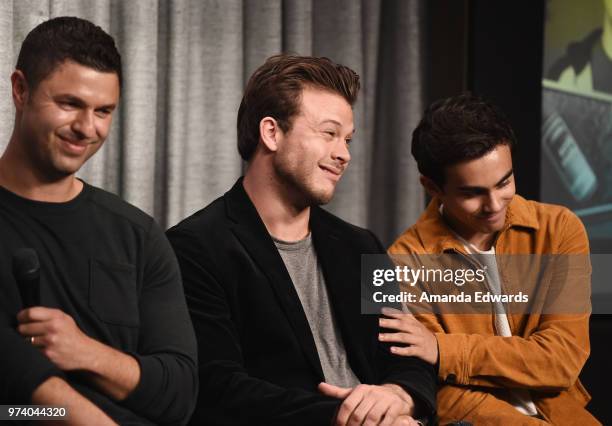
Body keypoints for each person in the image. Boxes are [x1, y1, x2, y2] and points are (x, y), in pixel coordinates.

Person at [167, 54, 436, 426]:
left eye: (347, 139)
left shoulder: (363, 247)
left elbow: (408, 356)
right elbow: (217, 389)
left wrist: (397, 396)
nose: (344, 154)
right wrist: (353, 418)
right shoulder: (193, 248)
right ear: (271, 133)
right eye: (329, 133)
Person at [0, 17, 197, 425]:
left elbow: (179, 395)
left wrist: (84, 352)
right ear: (21, 90)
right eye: (69, 104)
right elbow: (6, 411)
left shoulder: (139, 236)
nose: (86, 129)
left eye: (103, 111)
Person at [385, 93, 599, 425]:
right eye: (472, 193)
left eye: (505, 182)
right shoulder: (398, 262)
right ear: (431, 186)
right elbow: (432, 391)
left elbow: (562, 360)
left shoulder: (561, 228)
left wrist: (443, 350)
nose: (495, 205)